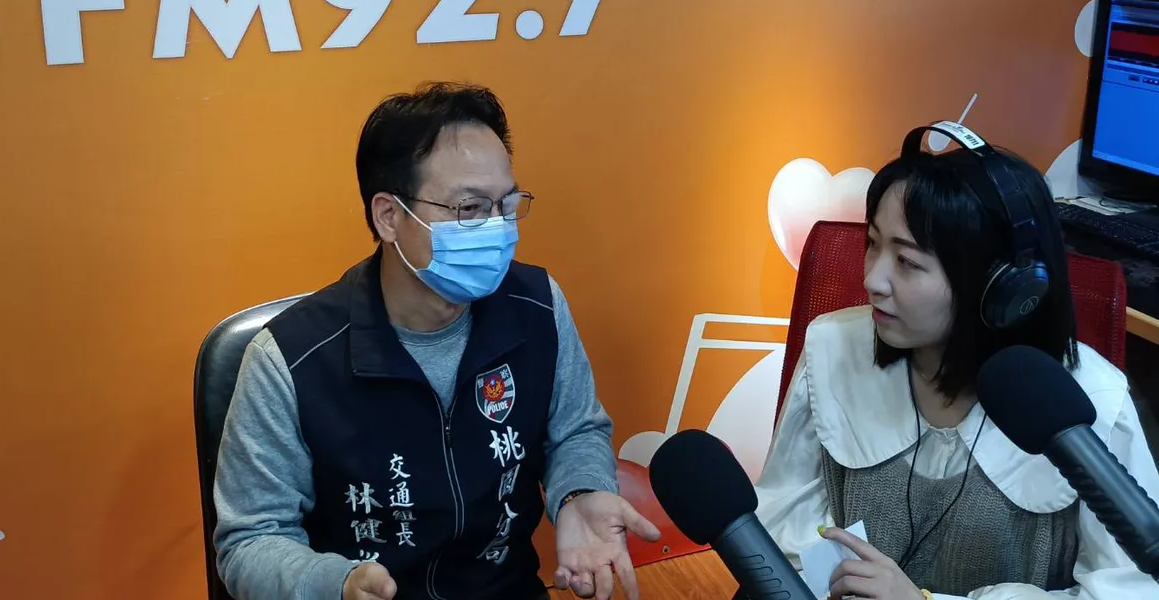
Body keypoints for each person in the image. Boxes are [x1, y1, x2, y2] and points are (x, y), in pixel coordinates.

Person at [213, 82, 658, 600]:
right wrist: (334, 584)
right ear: (389, 216)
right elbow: (250, 540)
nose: (497, 228)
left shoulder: (536, 305)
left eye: (506, 205)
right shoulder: (290, 360)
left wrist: (579, 491)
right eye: (470, 208)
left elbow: (576, 429)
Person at [755, 123, 1159, 599]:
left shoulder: (1094, 402)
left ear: (1000, 286)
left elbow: (1129, 591)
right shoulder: (833, 346)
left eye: (908, 262)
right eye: (873, 244)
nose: (872, 280)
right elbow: (784, 528)